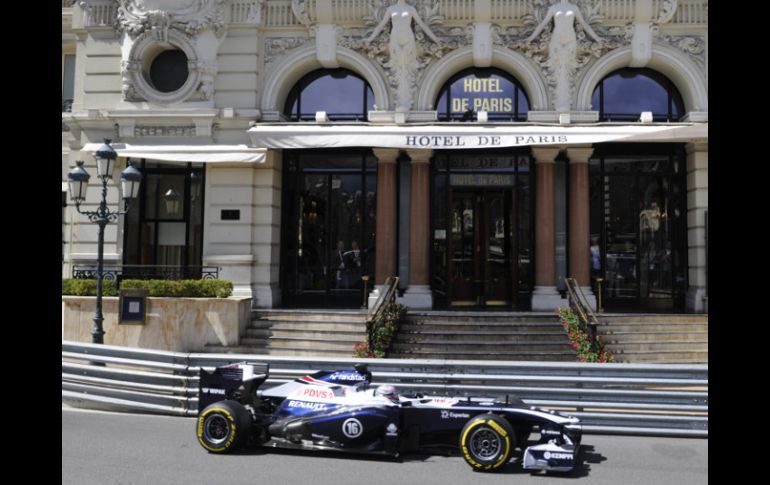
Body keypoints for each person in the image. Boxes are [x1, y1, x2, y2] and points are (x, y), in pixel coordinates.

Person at [525, 0, 602, 111]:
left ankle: (565, 101)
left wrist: (597, 38)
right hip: (557, 39)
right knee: (557, 70)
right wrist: (531, 38)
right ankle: (558, 99)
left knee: (569, 69)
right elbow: (542, 25)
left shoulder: (574, 8)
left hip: (570, 39)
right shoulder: (553, 8)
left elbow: (584, 25)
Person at [364, 0, 441, 110]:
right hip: (395, 38)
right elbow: (381, 25)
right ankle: (399, 99)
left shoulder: (410, 9)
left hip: (408, 38)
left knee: (407, 67)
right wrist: (370, 39)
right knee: (397, 67)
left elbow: (422, 25)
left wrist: (435, 38)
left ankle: (406, 100)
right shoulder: (391, 9)